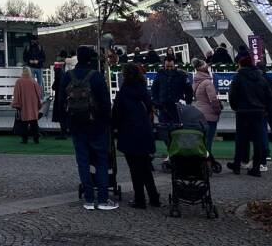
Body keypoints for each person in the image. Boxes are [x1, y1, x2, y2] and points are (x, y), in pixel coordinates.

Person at [54, 46, 117, 211]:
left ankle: (88, 199)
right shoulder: (96, 77)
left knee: (82, 162)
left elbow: (61, 101)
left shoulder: (68, 76)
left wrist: (65, 124)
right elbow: (105, 103)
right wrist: (106, 122)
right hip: (96, 126)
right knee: (102, 162)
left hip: (76, 125)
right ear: (91, 59)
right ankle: (103, 199)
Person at [112, 64, 160, 209]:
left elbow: (116, 115)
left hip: (129, 133)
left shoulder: (123, 93)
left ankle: (140, 198)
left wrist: (114, 128)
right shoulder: (143, 90)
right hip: (144, 132)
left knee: (135, 168)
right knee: (145, 166)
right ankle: (153, 196)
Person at [227, 54, 272, 177]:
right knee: (258, 140)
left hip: (242, 111)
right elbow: (269, 95)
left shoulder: (238, 77)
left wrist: (235, 107)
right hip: (258, 112)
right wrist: (265, 109)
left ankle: (237, 164)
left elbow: (232, 95)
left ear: (241, 65)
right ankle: (256, 167)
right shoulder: (261, 78)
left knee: (240, 139)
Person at [192, 59, 222, 155]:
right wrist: (218, 110)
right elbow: (213, 99)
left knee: (200, 140)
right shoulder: (207, 82)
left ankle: (199, 160)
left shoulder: (195, 81)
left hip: (199, 114)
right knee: (208, 140)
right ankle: (207, 161)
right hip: (209, 116)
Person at [151, 55, 192, 125]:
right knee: (164, 130)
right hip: (163, 108)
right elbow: (154, 89)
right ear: (164, 65)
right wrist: (156, 102)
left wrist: (186, 102)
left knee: (177, 130)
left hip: (177, 108)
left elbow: (189, 91)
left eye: (171, 66)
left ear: (174, 65)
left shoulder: (181, 75)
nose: (169, 68)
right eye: (167, 66)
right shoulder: (160, 74)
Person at [11, 67, 42, 144]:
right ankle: (36, 138)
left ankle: (25, 139)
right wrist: (39, 104)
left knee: (24, 123)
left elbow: (16, 94)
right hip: (33, 104)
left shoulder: (19, 81)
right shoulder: (33, 81)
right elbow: (38, 93)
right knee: (34, 122)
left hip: (24, 104)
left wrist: (16, 104)